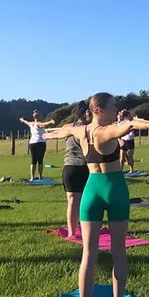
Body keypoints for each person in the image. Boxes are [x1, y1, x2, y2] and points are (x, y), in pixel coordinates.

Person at [43, 92, 149, 297]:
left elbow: (66, 129)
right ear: (100, 110)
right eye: (113, 105)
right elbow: (127, 126)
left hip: (91, 191)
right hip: (114, 189)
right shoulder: (106, 131)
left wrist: (51, 134)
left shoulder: (82, 130)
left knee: (88, 253)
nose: (116, 108)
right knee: (119, 250)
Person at [45, 101, 92, 237]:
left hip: (87, 167)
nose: (92, 116)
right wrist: (47, 135)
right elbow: (57, 132)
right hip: (72, 167)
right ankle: (72, 233)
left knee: (85, 201)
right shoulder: (70, 127)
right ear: (83, 114)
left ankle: (86, 230)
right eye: (89, 113)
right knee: (72, 201)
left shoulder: (91, 128)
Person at [19, 110, 55, 181]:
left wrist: (22, 120)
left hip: (32, 143)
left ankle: (32, 178)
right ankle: (40, 177)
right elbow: (43, 124)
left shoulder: (31, 123)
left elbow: (26, 122)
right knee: (40, 161)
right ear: (39, 116)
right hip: (40, 143)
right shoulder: (38, 123)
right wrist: (50, 122)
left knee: (33, 161)